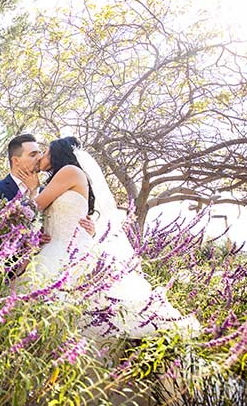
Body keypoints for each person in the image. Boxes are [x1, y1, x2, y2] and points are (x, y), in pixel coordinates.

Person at [16, 136, 199, 339]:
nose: (42, 155)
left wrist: (32, 189)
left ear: (58, 153)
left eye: (47, 151)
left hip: (68, 251)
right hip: (55, 247)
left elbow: (35, 207)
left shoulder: (69, 171)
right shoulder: (58, 179)